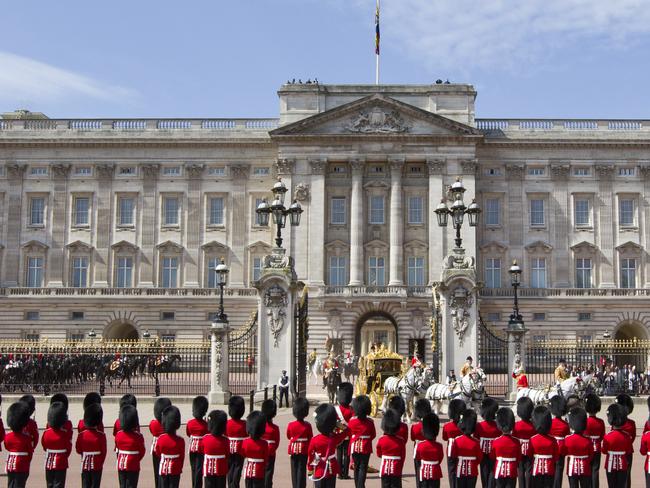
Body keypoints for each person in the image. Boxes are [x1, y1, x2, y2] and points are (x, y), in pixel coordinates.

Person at [307, 403, 346, 488]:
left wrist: (310, 470)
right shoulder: (335, 438)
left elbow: (310, 456)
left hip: (319, 468)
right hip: (331, 468)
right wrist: (335, 423)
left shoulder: (314, 440)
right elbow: (347, 430)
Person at [75, 403, 107, 488]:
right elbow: (103, 452)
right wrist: (100, 463)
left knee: (85, 485)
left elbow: (78, 450)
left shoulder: (81, 435)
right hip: (97, 464)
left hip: (85, 463)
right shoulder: (101, 435)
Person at [42, 401, 72, 488]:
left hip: (49, 461)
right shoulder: (65, 434)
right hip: (61, 461)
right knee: (59, 484)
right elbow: (68, 448)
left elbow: (44, 446)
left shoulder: (46, 433)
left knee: (49, 484)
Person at [115, 405, 146, 488]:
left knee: (122, 485)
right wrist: (135, 458)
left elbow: (117, 446)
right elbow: (142, 452)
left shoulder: (119, 435)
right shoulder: (138, 436)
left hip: (121, 463)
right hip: (133, 464)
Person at [450, 409, 482, 488]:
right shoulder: (476, 442)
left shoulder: (457, 440)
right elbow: (479, 458)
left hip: (460, 470)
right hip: (473, 470)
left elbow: (453, 456)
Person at [348, 395, 376, 488]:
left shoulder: (352, 421)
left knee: (356, 467)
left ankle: (358, 486)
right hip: (366, 447)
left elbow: (349, 433)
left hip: (355, 446)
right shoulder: (370, 422)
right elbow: (373, 435)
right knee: (363, 468)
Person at [155, 406, 185, 488]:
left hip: (163, 468)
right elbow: (181, 457)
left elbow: (158, 453)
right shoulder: (180, 440)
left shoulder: (161, 438)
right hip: (175, 469)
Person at [5, 401, 34, 488]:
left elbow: (7, 447)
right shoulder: (26, 438)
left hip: (10, 463)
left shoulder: (8, 436)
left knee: (10, 484)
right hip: (22, 464)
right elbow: (30, 453)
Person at [603, 404, 632, 488]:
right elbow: (628, 451)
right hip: (622, 464)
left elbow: (604, 451)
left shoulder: (608, 436)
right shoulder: (627, 436)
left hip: (610, 464)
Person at [530, 406, 559, 488]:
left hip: (536, 469)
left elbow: (529, 454)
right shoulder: (552, 440)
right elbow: (556, 457)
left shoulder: (533, 439)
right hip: (549, 469)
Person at [491, 407, 521, 487]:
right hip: (512, 471)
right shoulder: (516, 441)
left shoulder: (496, 441)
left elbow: (493, 457)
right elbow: (518, 458)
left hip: (499, 469)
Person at [286, 398, 313, 488]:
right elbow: (310, 437)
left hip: (293, 449)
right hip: (304, 449)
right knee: (301, 469)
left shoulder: (291, 424)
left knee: (294, 469)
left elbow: (288, 436)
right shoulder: (308, 425)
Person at [377, 409, 406, 488]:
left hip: (384, 468)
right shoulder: (401, 441)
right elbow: (402, 457)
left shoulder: (381, 439)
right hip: (396, 469)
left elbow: (379, 454)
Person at [563, 408, 592, 488]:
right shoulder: (588, 440)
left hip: (571, 468)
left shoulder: (567, 439)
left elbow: (564, 452)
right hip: (585, 467)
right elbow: (591, 455)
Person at [200, 410, 230, 488]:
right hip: (221, 469)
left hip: (208, 469)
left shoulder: (205, 438)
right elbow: (227, 454)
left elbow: (202, 451)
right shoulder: (226, 440)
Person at [415, 413, 444, 488]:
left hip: (423, 472)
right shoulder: (439, 446)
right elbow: (440, 459)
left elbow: (418, 458)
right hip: (435, 472)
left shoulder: (420, 445)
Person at [476, 397, 500, 488]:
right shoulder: (497, 425)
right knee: (492, 473)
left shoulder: (479, 426)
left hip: (483, 454)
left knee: (484, 473)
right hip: (494, 453)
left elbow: (476, 438)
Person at [242, 411, 269, 488]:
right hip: (259, 471)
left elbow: (243, 454)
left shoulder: (245, 442)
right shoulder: (264, 443)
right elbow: (266, 459)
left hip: (248, 471)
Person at [444, 399, 467, 488]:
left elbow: (444, 438)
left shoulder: (447, 426)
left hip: (450, 450)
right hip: (462, 449)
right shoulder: (463, 425)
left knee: (451, 470)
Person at [513, 397, 536, 488]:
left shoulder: (516, 425)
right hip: (531, 448)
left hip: (520, 448)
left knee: (520, 470)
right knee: (529, 470)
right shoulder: (533, 425)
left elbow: (514, 436)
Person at [187, 396, 209, 488]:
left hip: (192, 448)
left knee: (194, 469)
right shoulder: (205, 424)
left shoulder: (190, 423)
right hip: (201, 449)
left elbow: (188, 433)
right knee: (199, 470)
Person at [151, 398, 173, 488]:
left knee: (157, 472)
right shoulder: (170, 424)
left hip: (156, 449)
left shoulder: (153, 424)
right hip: (168, 447)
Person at [584, 394, 605, 488]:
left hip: (586, 448)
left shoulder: (584, 421)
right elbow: (602, 436)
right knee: (595, 470)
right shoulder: (600, 422)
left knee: (587, 470)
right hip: (597, 448)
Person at [226, 396, 248, 488]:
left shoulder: (226, 423)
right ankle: (234, 485)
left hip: (228, 448)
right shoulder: (244, 424)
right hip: (240, 449)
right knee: (238, 468)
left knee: (229, 468)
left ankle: (231, 484)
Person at [411, 398, 433, 488]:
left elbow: (412, 438)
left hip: (418, 451)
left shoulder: (415, 427)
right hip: (431, 449)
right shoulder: (432, 425)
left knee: (418, 471)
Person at [615, 393, 635, 488]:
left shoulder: (615, 423)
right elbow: (632, 438)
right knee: (627, 475)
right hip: (627, 452)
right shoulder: (631, 423)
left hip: (616, 452)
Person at [549, 396, 569, 488]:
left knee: (551, 469)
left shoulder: (550, 423)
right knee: (559, 470)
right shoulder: (565, 425)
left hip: (551, 447)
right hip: (561, 448)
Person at [335, 383, 354, 480]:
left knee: (338, 454)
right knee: (346, 454)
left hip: (338, 434)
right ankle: (345, 474)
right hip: (348, 434)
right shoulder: (351, 410)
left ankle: (339, 473)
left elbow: (334, 422)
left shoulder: (336, 409)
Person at [261, 399, 280, 488]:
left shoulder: (260, 425)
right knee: (269, 472)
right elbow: (277, 442)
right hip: (271, 451)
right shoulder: (275, 428)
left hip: (260, 451)